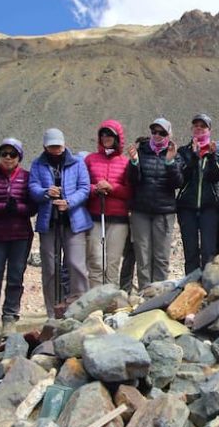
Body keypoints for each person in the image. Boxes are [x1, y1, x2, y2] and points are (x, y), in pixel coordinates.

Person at [30, 128, 92, 314]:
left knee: (76, 265)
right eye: (52, 146)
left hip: (74, 222)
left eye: (58, 146)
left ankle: (80, 309)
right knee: (50, 267)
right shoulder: (37, 164)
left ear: (64, 144)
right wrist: (45, 192)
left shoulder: (77, 163)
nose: (56, 149)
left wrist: (69, 202)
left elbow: (85, 187)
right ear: (45, 146)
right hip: (49, 223)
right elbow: (32, 187)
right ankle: (52, 311)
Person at [0, 138, 33, 337]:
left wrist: (17, 208)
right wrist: (3, 207)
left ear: (19, 157)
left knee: (15, 277)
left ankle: (10, 317)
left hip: (20, 234)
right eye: (4, 154)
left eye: (13, 154)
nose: (8, 158)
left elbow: (33, 206)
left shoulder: (27, 177)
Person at [128, 118, 183, 289]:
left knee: (161, 255)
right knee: (143, 254)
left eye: (162, 132)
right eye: (154, 132)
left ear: (169, 134)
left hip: (164, 211)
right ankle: (145, 291)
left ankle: (159, 291)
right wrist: (134, 162)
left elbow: (177, 183)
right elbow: (133, 180)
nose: (157, 135)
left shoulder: (175, 154)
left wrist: (170, 162)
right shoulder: (141, 151)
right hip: (141, 211)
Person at [176, 113, 219, 274]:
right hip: (187, 206)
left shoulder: (216, 151)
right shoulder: (183, 151)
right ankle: (189, 285)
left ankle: (208, 286)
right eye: (196, 125)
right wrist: (192, 156)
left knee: (208, 250)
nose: (199, 128)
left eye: (202, 126)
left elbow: (216, 177)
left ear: (209, 129)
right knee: (190, 251)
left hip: (209, 206)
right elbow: (181, 178)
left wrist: (211, 157)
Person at [85, 121, 132, 286]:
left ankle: (110, 302)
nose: (106, 138)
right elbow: (82, 186)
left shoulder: (126, 162)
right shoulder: (90, 160)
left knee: (112, 263)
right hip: (95, 217)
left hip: (118, 219)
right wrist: (94, 188)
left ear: (117, 137)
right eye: (103, 134)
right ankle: (95, 302)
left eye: (110, 134)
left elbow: (130, 191)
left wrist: (111, 188)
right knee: (96, 262)